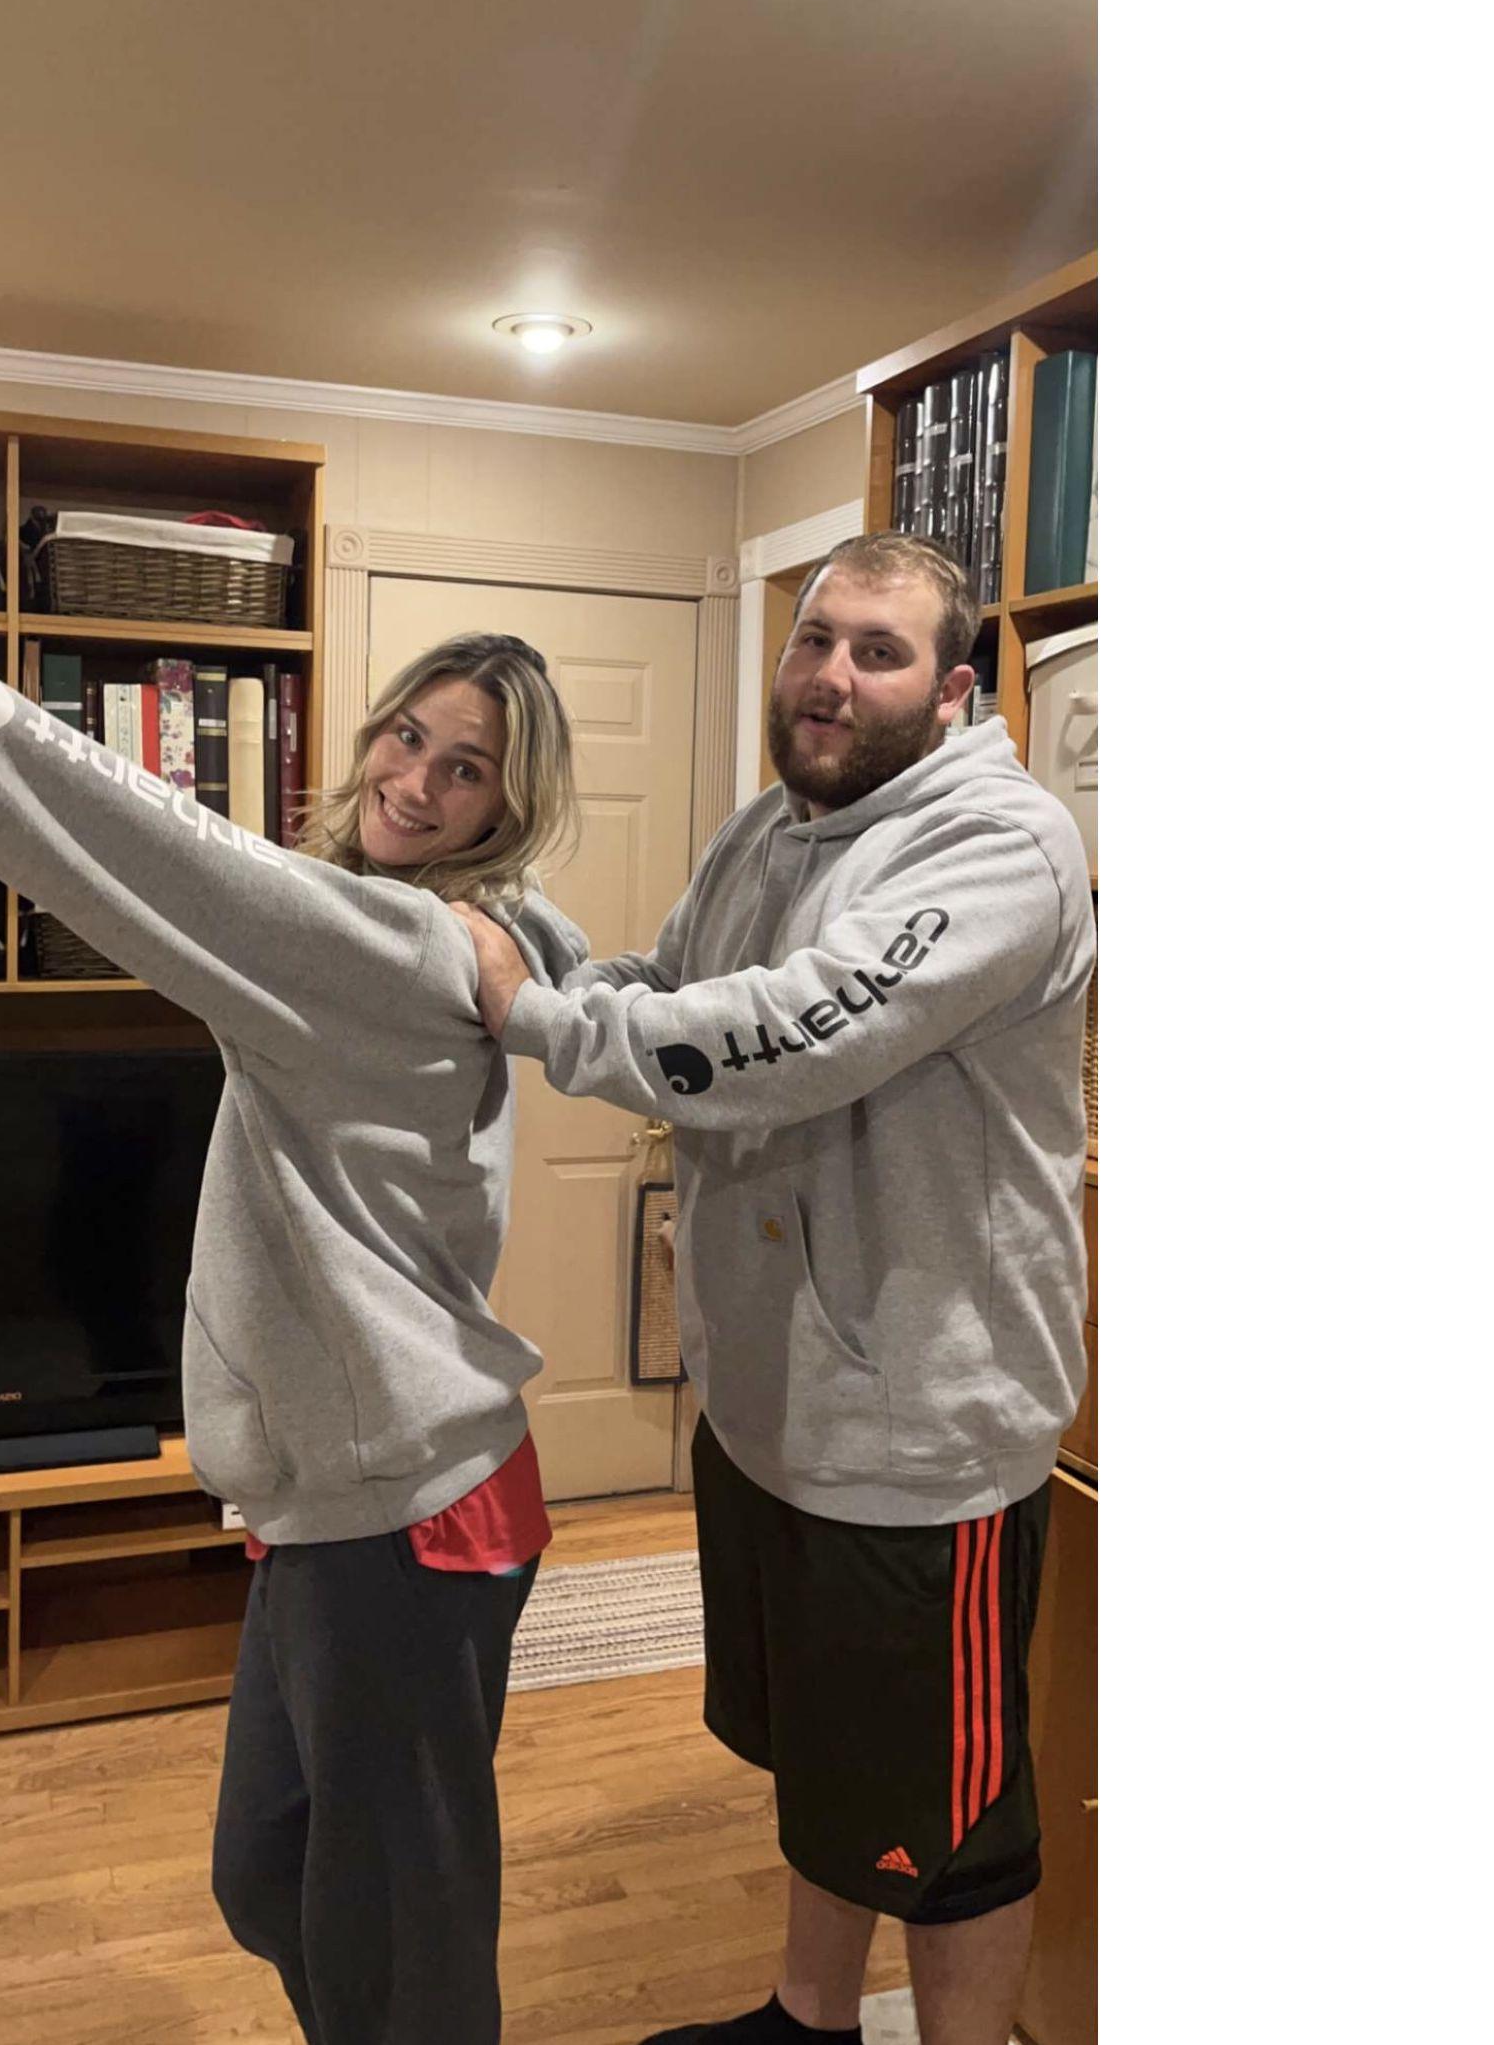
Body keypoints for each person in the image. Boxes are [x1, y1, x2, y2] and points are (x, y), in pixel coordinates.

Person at [453, 533, 1094, 2045]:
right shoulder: (772, 826)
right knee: (829, 1763)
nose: (829, 675)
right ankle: (807, 2020)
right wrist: (550, 961)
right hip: (774, 1411)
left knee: (949, 1826)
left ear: (952, 690)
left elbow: (790, 1034)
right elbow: (678, 983)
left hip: (919, 1436)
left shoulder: (1000, 847)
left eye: (878, 650)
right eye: (815, 638)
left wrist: (533, 1015)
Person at [0, 627, 587, 2045]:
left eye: (466, 771)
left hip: (404, 1507)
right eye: (408, 735)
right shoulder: (447, 924)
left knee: (400, 1941)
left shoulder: (382, 946)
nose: (415, 781)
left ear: (505, 809)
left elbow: (120, 831)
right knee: (273, 1873)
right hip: (343, 1487)